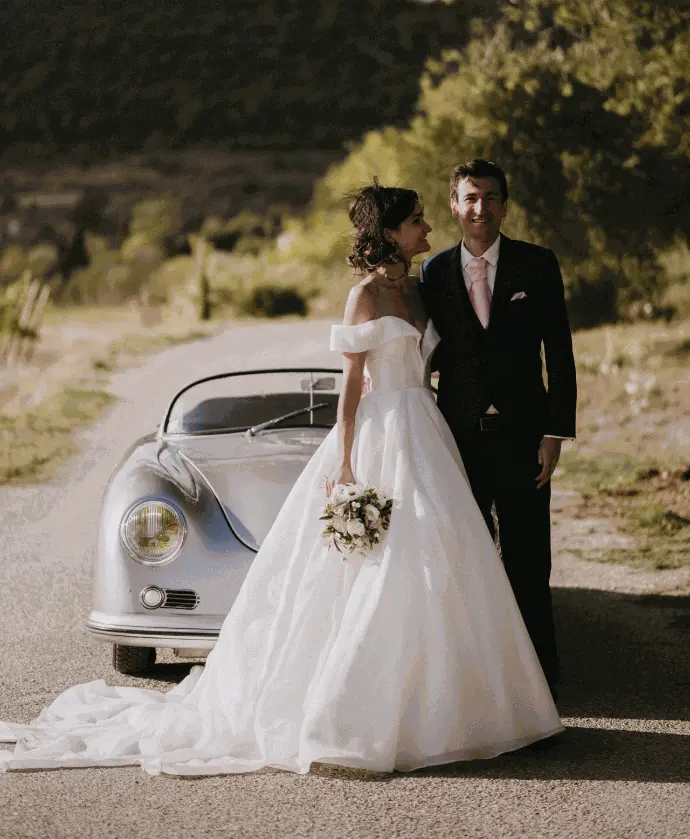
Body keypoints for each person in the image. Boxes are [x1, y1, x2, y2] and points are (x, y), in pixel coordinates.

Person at [0, 181, 562, 777]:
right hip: (380, 435)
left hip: (428, 432)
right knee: (376, 571)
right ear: (391, 232)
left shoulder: (423, 290)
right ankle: (356, 714)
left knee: (443, 565)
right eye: (417, 221)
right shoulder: (364, 296)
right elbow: (350, 390)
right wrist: (345, 463)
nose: (427, 229)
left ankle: (455, 706)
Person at [419, 160, 577, 698]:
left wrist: (556, 432)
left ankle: (542, 686)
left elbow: (559, 353)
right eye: (470, 198)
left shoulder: (537, 264)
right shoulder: (434, 273)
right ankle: (478, 684)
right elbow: (427, 352)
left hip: (525, 438)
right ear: (454, 206)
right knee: (465, 563)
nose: (480, 208)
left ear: (504, 205)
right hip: (456, 441)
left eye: (489, 198)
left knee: (530, 562)